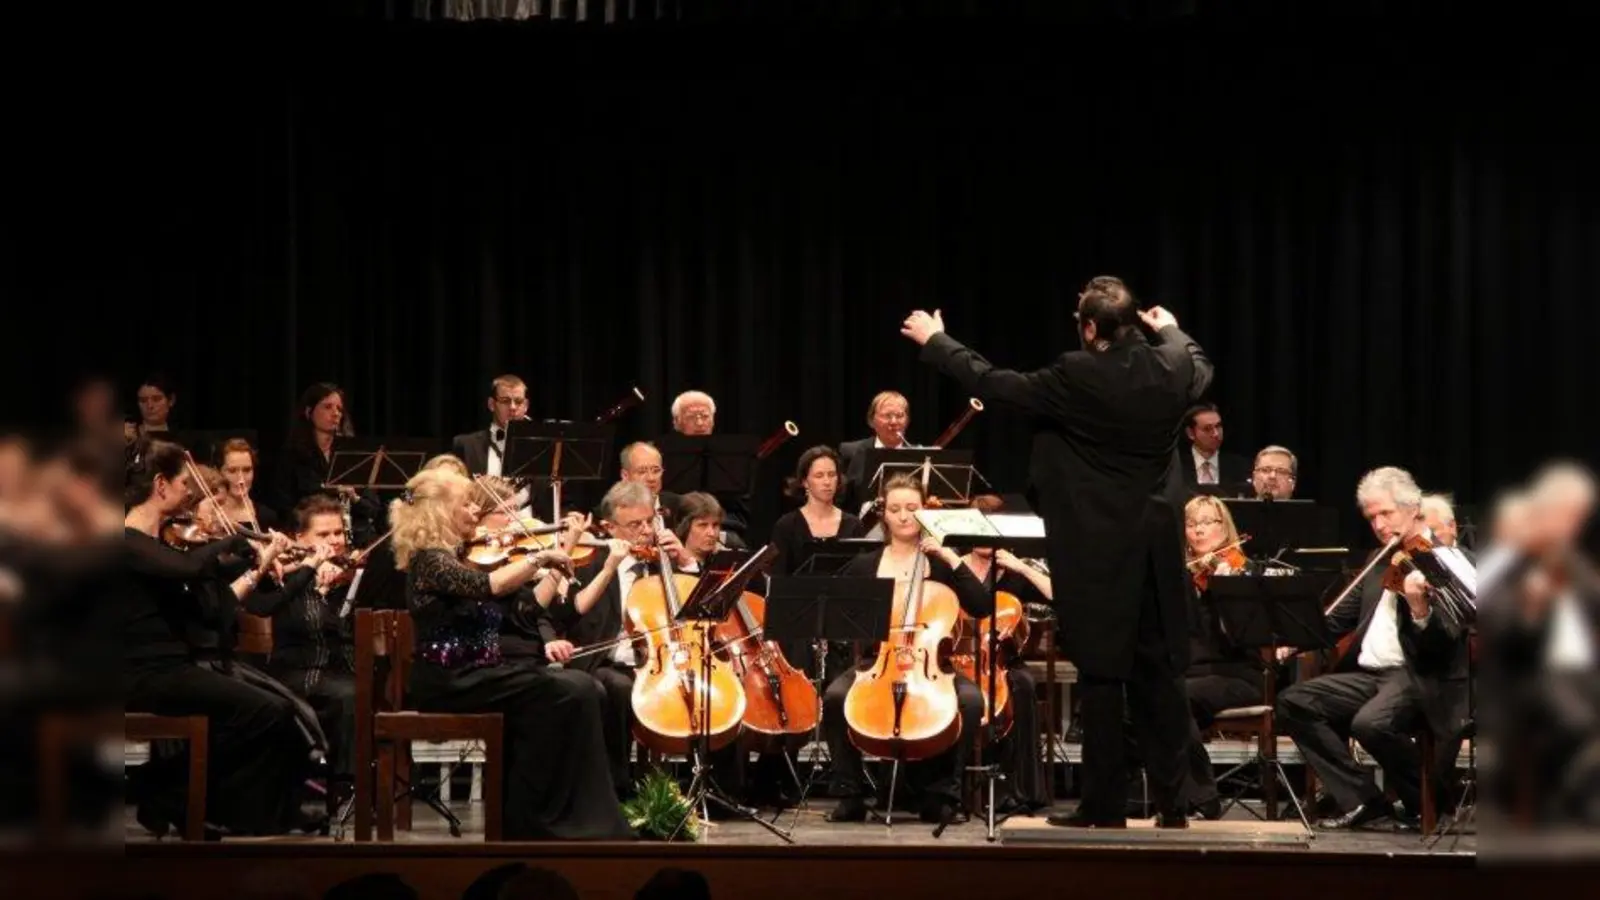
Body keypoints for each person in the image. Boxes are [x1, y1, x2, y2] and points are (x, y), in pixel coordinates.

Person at [901, 275, 1213, 827]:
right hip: (1155, 550)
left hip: (1098, 553)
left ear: (1090, 328)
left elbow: (994, 383)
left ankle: (1104, 807)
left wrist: (936, 341)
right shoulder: (1172, 366)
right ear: (1136, 322)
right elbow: (1197, 362)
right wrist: (1170, 329)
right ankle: (1174, 806)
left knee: (1101, 676)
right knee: (1160, 680)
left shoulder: (1077, 374)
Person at [388, 467, 635, 839]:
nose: (475, 511)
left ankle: (556, 815)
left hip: (480, 673)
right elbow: (487, 585)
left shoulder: (458, 554)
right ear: (439, 510)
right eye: (466, 504)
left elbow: (526, 609)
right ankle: (542, 820)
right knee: (570, 690)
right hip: (451, 679)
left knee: (577, 688)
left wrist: (557, 559)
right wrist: (537, 559)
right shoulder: (430, 560)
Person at [1273, 465, 1472, 830]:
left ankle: (1432, 801)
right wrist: (1294, 637)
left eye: (1386, 513)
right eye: (1371, 517)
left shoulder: (1445, 561)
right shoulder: (1379, 561)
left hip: (1421, 675)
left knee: (1371, 723)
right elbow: (1337, 620)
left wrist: (1420, 610)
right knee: (1295, 701)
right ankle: (1364, 799)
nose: (1379, 525)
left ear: (1413, 509)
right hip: (1371, 676)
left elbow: (1445, 643)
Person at [823, 473, 993, 825]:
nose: (904, 516)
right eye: (895, 509)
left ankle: (942, 795)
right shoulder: (866, 565)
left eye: (912, 508)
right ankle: (850, 794)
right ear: (884, 514)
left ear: (924, 512)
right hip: (878, 662)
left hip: (933, 663)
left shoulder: (941, 564)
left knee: (971, 701)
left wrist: (951, 557)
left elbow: (980, 605)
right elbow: (839, 619)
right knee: (835, 697)